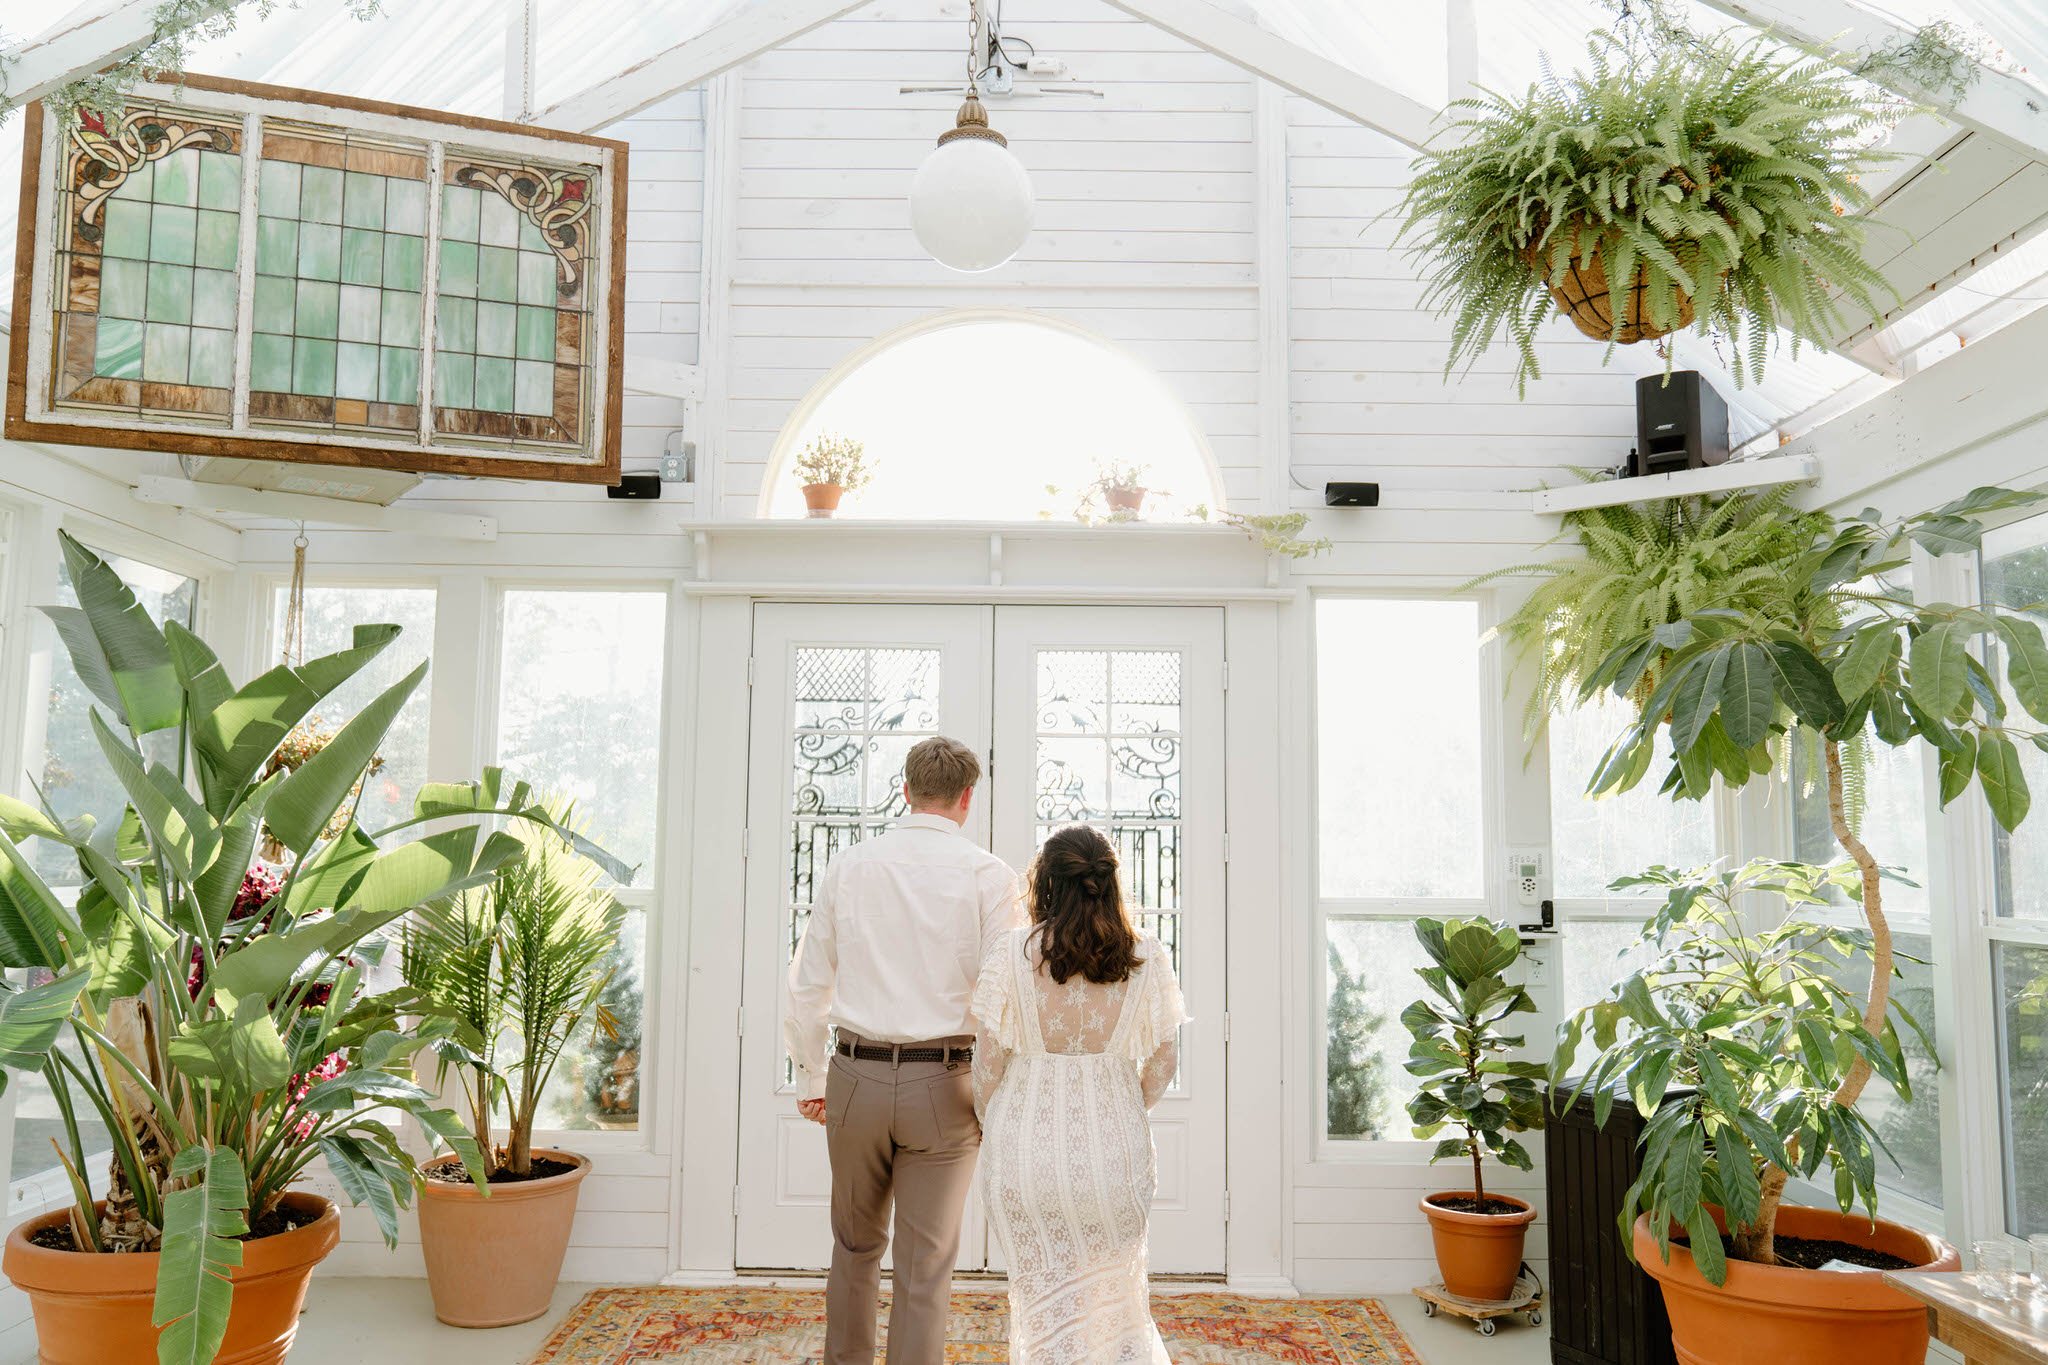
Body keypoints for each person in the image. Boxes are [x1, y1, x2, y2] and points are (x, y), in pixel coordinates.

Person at [785, 735, 1023, 1365]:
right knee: (924, 1269)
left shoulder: (850, 866)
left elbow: (807, 985)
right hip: (946, 1084)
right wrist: (996, 1097)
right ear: (967, 799)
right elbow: (1005, 1003)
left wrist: (812, 1076)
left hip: (854, 1077)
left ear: (906, 790)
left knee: (854, 1247)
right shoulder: (991, 878)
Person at [970, 824, 1189, 1365]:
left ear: (1044, 884)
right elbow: (1164, 1063)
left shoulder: (1010, 954)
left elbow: (987, 1065)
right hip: (1115, 1150)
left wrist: (994, 1119)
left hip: (1026, 1149)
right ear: (1109, 883)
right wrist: (1122, 1105)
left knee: (1040, 1299)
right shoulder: (1147, 955)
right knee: (1115, 1309)